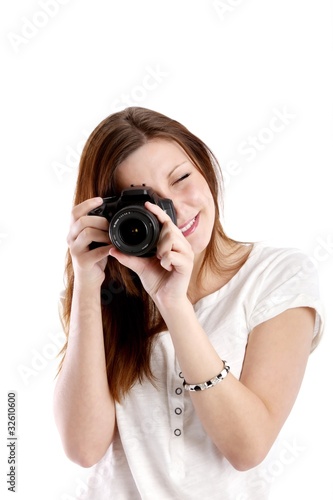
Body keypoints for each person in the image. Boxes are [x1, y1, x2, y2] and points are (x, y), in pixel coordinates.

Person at [53, 106, 324, 499]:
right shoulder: (103, 292)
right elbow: (82, 448)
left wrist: (172, 302)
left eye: (181, 178)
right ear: (113, 217)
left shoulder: (277, 276)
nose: (173, 212)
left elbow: (247, 448)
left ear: (206, 169)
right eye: (144, 203)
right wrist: (87, 285)